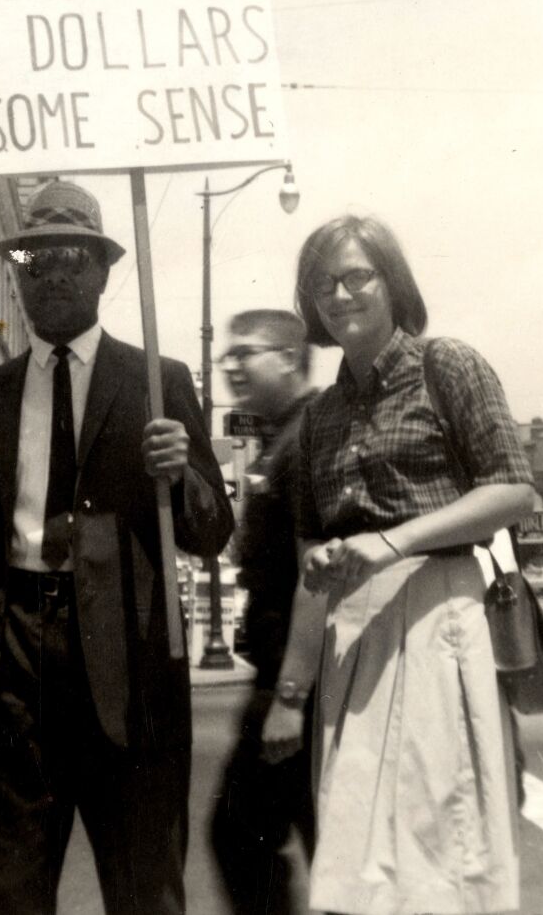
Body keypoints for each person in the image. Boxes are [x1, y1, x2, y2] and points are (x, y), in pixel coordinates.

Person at [0, 178, 233, 915]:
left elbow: (212, 532)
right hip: (14, 668)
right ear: (18, 275)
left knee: (147, 891)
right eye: (36, 259)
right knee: (10, 895)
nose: (54, 273)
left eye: (73, 258)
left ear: (104, 271)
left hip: (132, 681)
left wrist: (179, 471)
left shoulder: (158, 383)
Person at [287, 213, 535, 915]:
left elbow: (515, 489)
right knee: (359, 859)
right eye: (322, 283)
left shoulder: (445, 365)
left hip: (439, 616)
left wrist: (393, 542)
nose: (339, 295)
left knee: (439, 848)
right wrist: (327, 557)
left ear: (392, 283)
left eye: (356, 275)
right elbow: (311, 540)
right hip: (353, 639)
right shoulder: (320, 415)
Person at [209, 309, 323, 915]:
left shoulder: (307, 437)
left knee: (244, 835)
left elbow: (316, 571)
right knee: (313, 841)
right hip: (288, 675)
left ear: (289, 358)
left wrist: (290, 697)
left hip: (299, 677)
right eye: (227, 354)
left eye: (246, 352)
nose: (232, 366)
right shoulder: (284, 434)